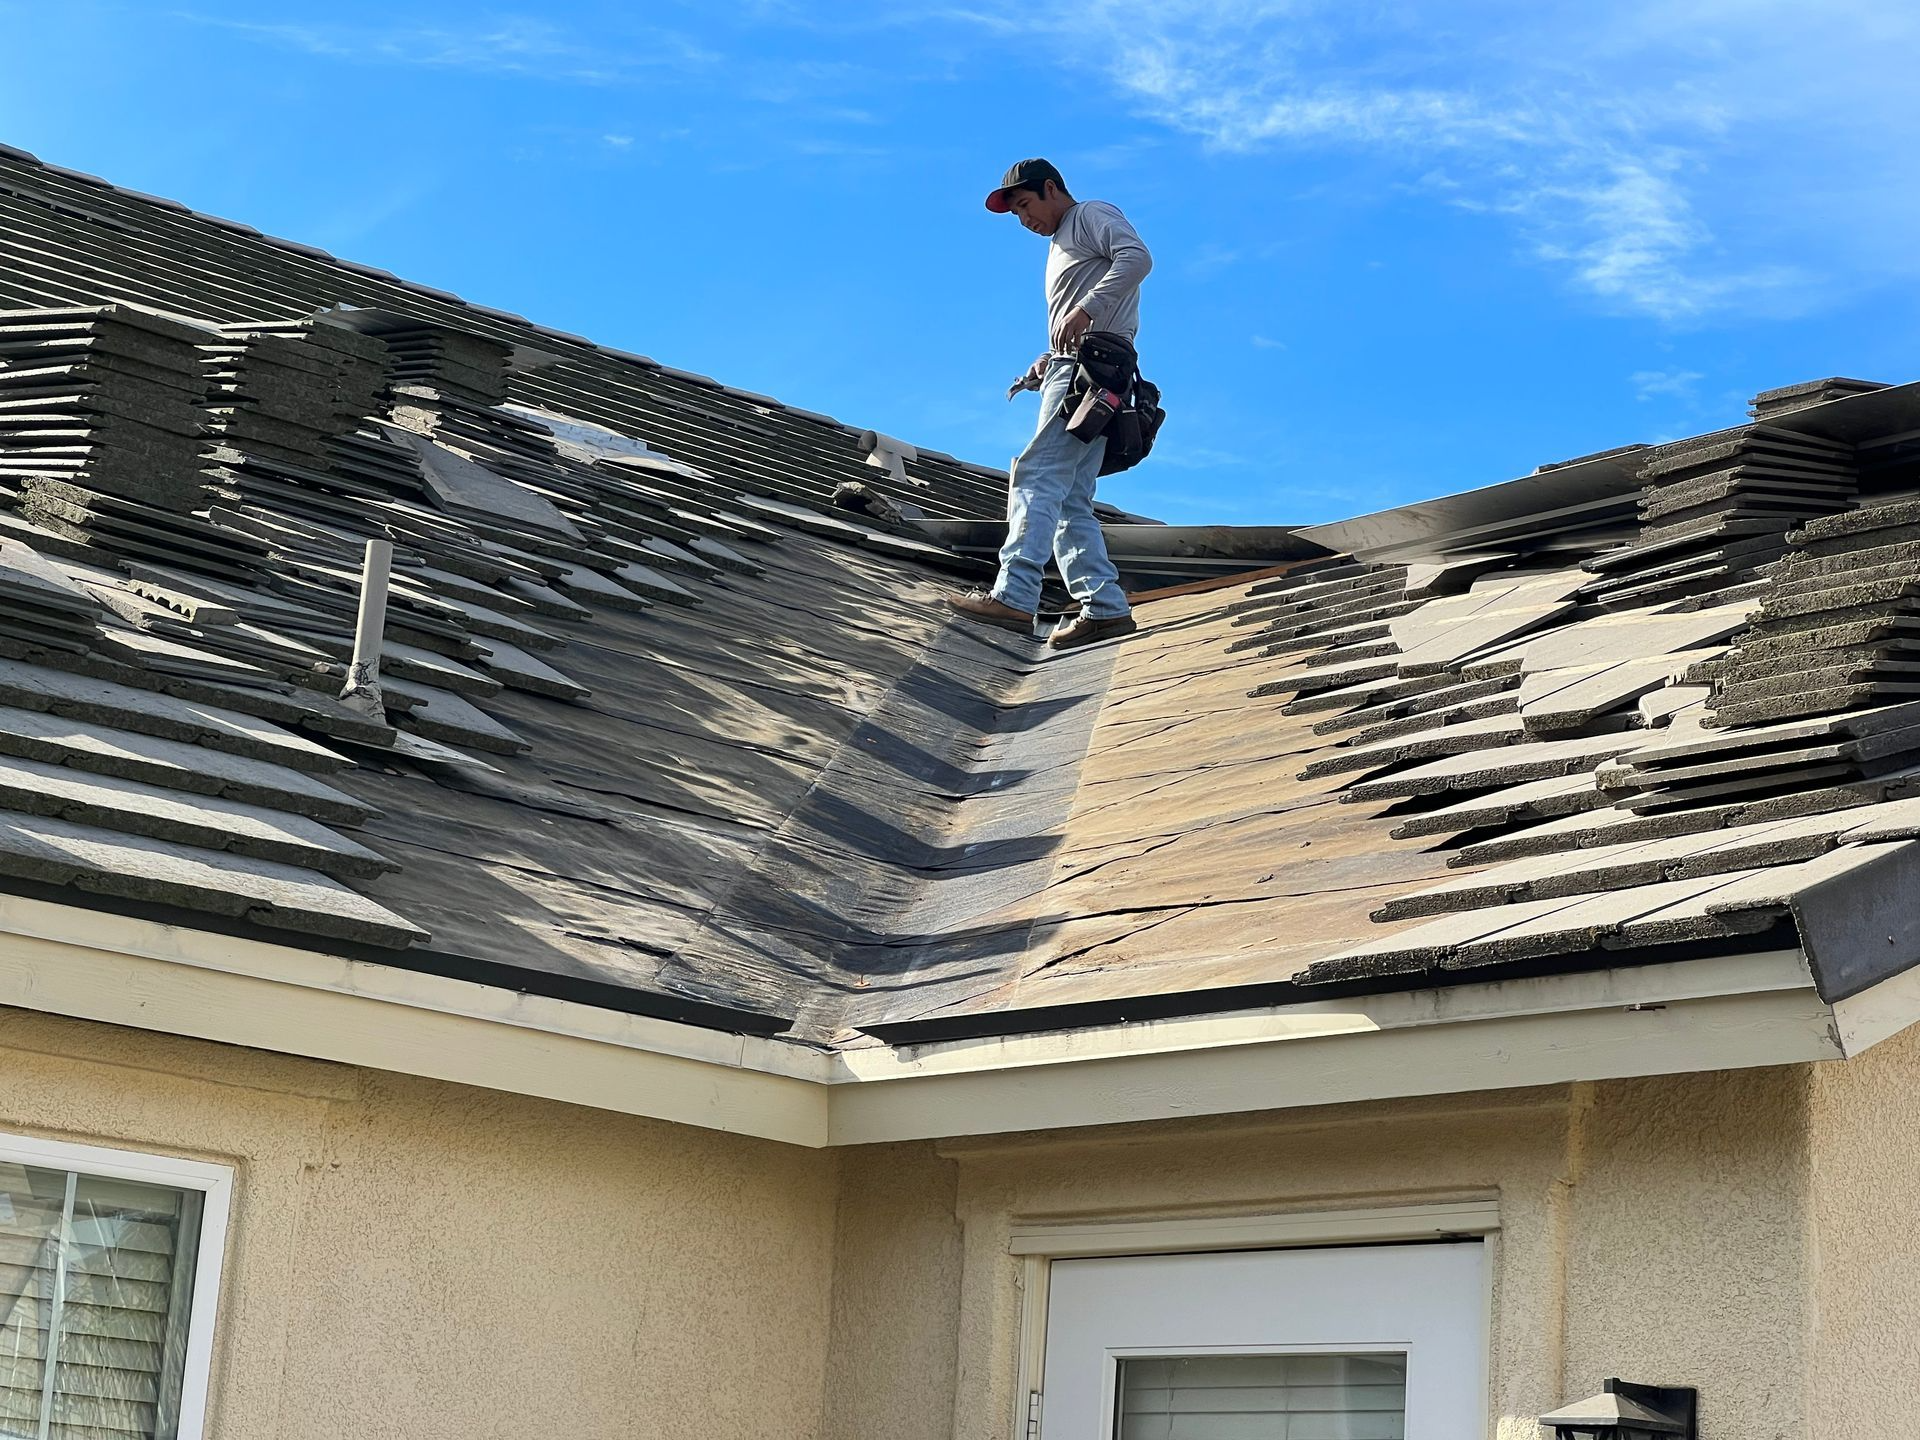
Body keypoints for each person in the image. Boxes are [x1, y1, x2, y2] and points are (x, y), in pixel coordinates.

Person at [947, 158, 1152, 650]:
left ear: (1052, 188)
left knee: (1036, 476)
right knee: (1067, 495)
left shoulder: (1088, 215)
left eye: (1024, 205)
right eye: (1015, 213)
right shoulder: (1065, 241)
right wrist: (1048, 359)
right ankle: (1104, 608)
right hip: (1088, 368)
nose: (1023, 220)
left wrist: (1086, 310)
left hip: (1088, 369)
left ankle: (1014, 595)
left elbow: (1137, 257)